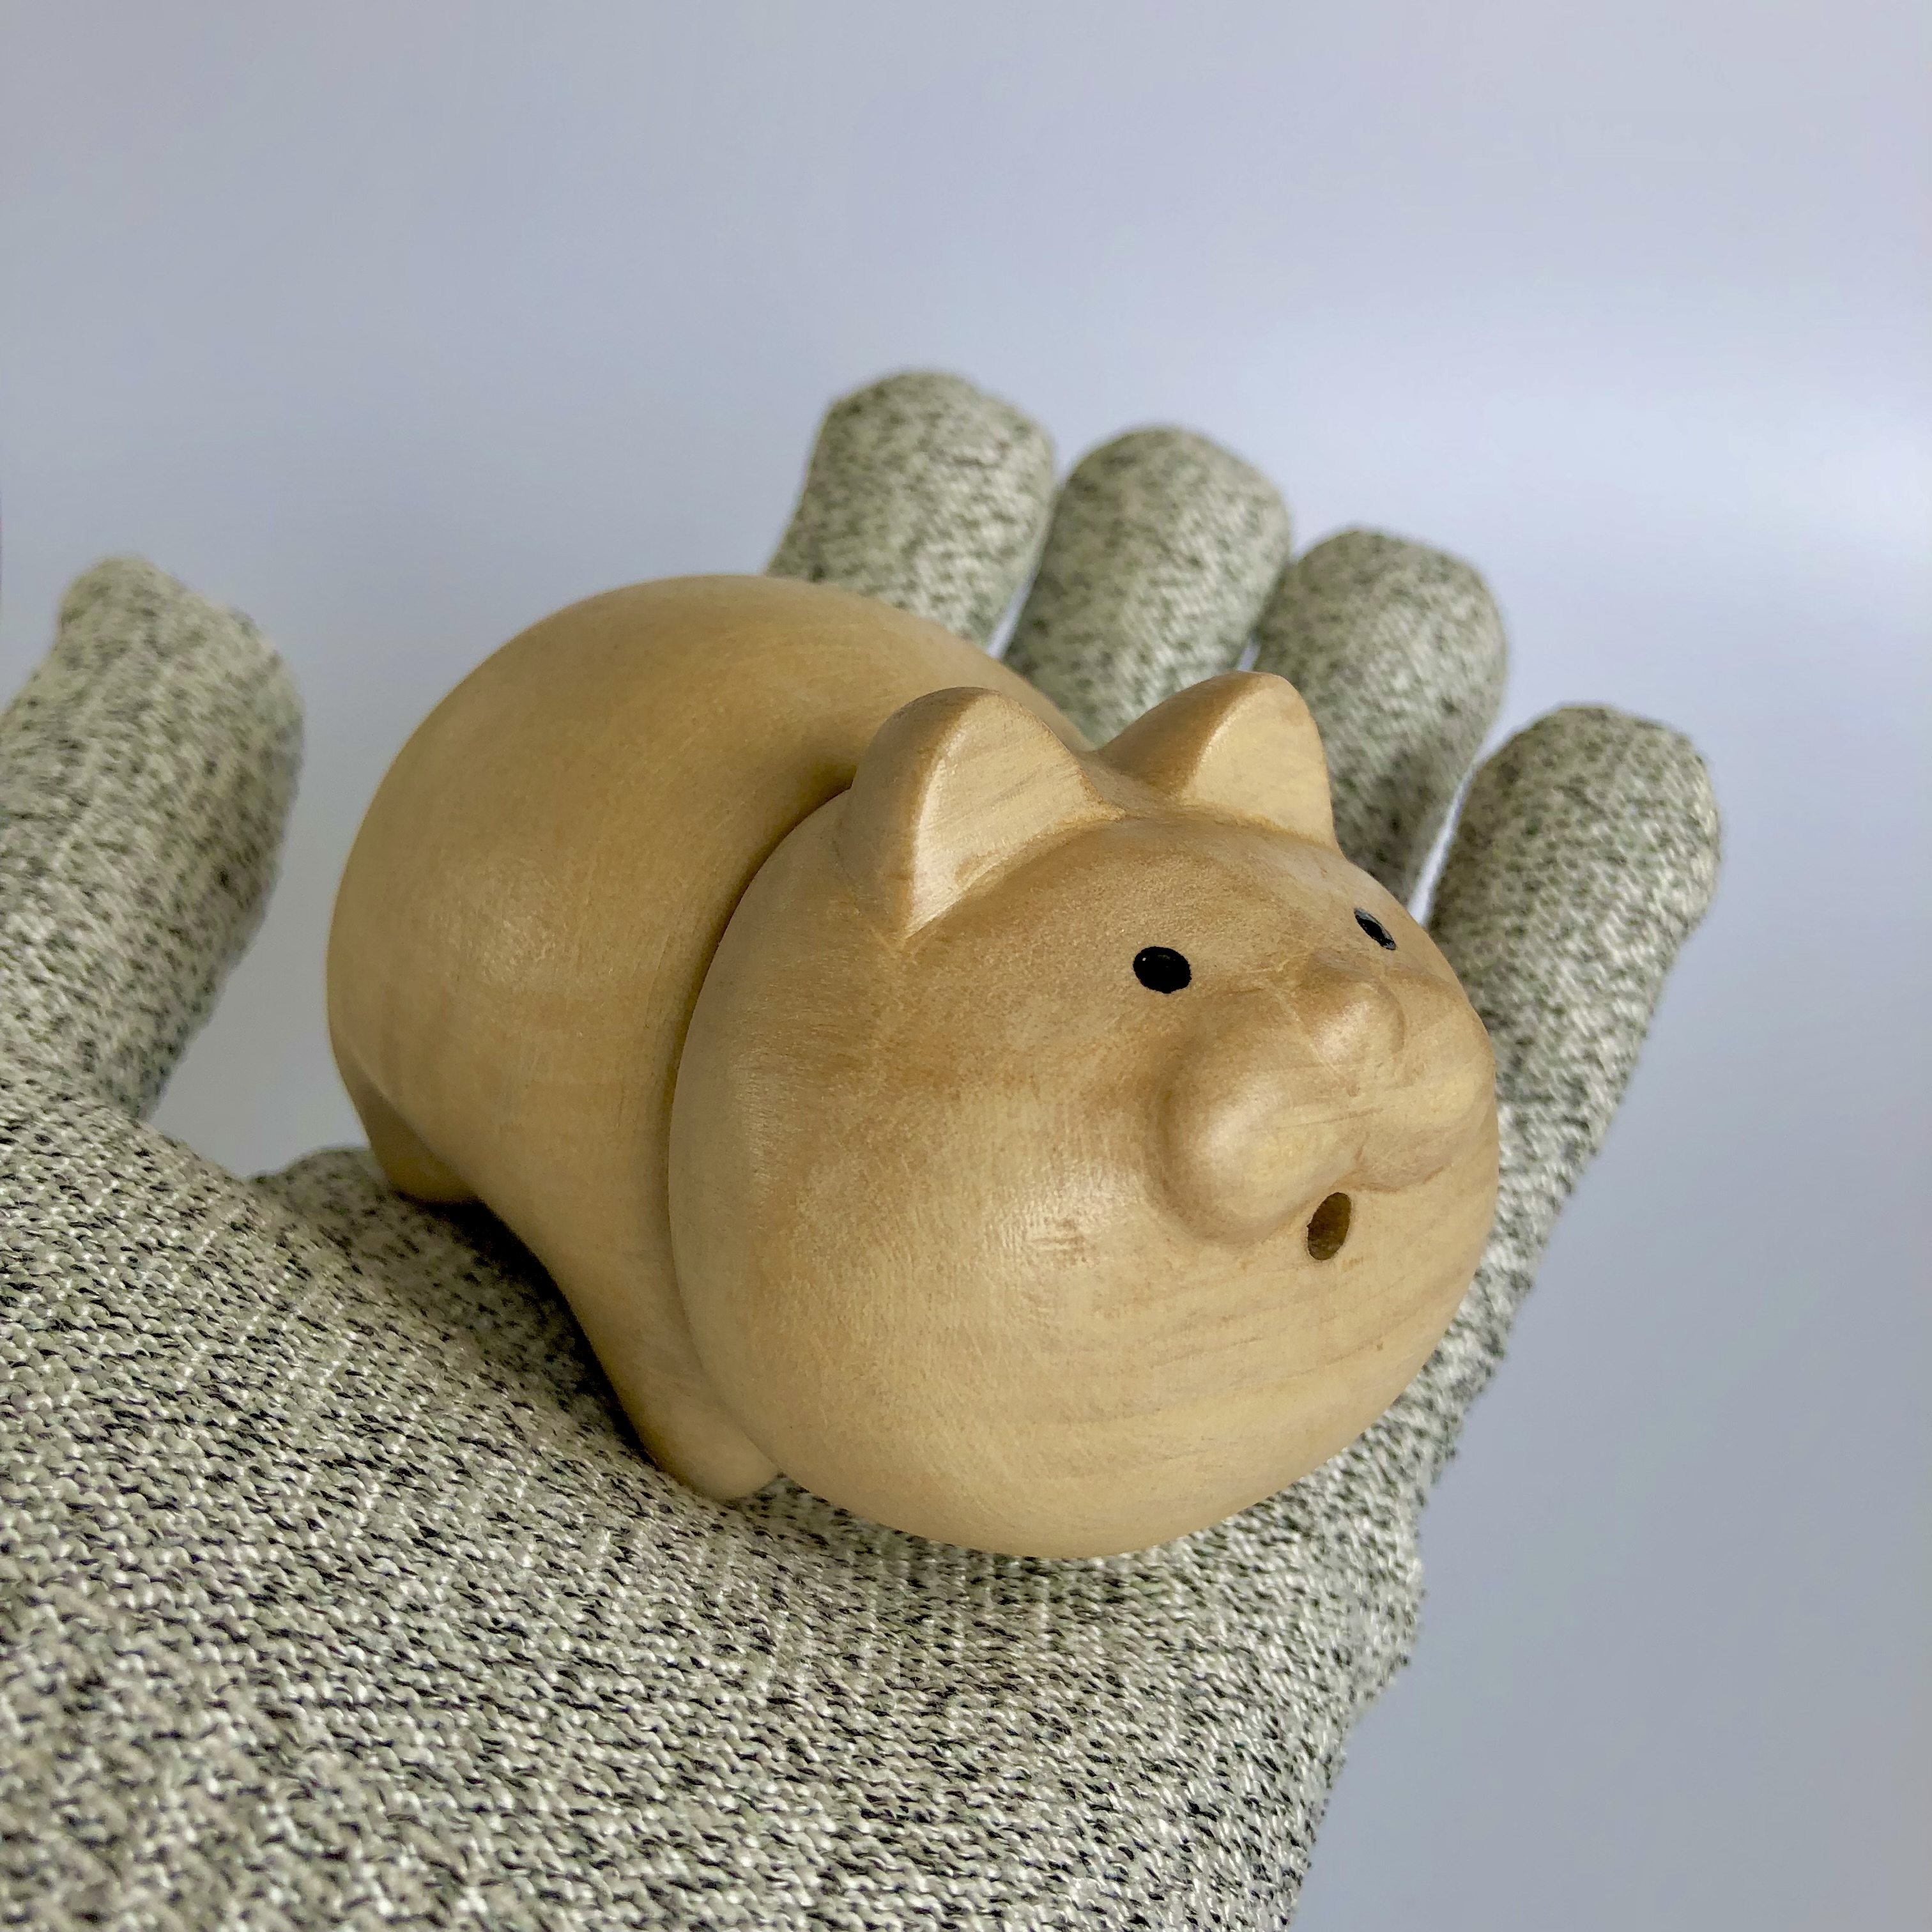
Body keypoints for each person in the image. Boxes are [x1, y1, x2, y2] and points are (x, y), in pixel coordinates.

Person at [0, 370, 1718, 1928]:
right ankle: (661, 1323)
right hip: (528, 914)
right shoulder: (777, 1068)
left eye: (1362, 928)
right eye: (1160, 971)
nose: (1350, 1016)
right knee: (651, 1311)